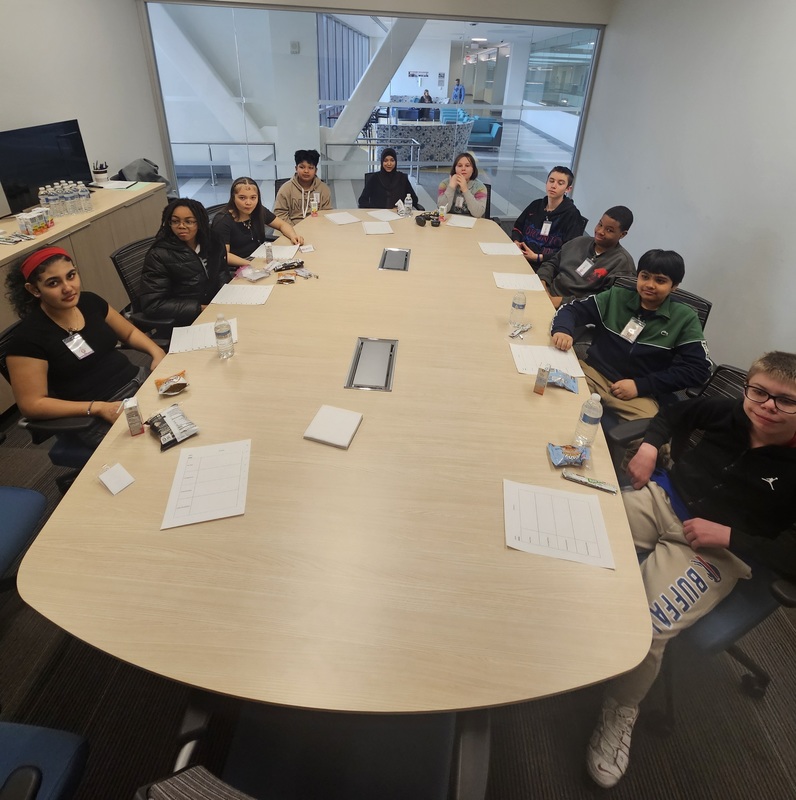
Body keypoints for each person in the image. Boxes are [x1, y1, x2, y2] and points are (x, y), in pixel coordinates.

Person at [586, 351, 796, 789]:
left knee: (646, 626)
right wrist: (648, 445)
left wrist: (733, 539)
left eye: (786, 400)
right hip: (663, 501)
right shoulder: (729, 412)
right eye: (758, 392)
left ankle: (620, 710)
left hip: (717, 552)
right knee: (577, 531)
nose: (767, 406)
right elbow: (676, 413)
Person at [5, 246, 165, 448]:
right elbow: (32, 405)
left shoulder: (89, 302)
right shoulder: (28, 339)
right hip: (97, 413)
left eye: (71, 276)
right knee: (157, 448)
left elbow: (129, 333)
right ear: (34, 290)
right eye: (54, 283)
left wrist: (157, 352)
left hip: (137, 381)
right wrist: (97, 408)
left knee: (195, 411)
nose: (68, 288)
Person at [551, 249, 711, 421]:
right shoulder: (616, 296)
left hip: (639, 393)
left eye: (660, 280)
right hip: (594, 374)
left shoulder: (685, 317)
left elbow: (700, 368)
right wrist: (563, 330)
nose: (650, 284)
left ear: (674, 286)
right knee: (554, 404)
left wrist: (641, 385)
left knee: (648, 441)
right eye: (645, 276)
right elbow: (572, 309)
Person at [141, 198, 230, 327]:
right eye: (175, 221)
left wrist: (228, 295)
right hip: (186, 320)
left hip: (215, 311)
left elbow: (221, 272)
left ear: (199, 223)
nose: (181, 226)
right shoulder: (159, 254)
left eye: (188, 221)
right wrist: (200, 308)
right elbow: (153, 304)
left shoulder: (212, 241)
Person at [537, 206, 635, 303]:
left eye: (609, 230)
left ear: (622, 234)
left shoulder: (623, 264)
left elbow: (604, 301)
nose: (600, 231)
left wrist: (561, 301)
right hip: (547, 293)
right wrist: (543, 282)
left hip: (575, 310)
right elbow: (552, 264)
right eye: (600, 225)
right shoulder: (579, 242)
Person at [213, 177, 303, 269]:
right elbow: (224, 255)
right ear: (233, 197)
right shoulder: (223, 221)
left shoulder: (258, 211)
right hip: (236, 267)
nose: (248, 202)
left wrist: (293, 235)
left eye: (253, 197)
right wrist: (251, 264)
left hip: (257, 258)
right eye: (242, 198)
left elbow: (281, 224)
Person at [511, 167, 587, 268]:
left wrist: (538, 257)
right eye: (551, 181)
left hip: (545, 265)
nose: (553, 186)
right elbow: (518, 227)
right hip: (520, 255)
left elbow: (570, 251)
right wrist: (516, 242)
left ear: (568, 189)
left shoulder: (572, 215)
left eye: (560, 183)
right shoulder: (536, 205)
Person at [273, 150, 332, 225]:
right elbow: (280, 214)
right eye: (302, 167)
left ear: (316, 170)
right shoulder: (286, 189)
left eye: (310, 168)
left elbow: (327, 213)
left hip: (316, 228)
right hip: (290, 230)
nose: (306, 171)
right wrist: (292, 230)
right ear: (296, 168)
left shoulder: (324, 189)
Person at [437, 153, 488, 219]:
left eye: (467, 166)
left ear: (473, 169)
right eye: (460, 165)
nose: (463, 169)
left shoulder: (480, 187)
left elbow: (478, 213)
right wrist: (451, 187)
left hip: (472, 224)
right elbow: (442, 209)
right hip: (448, 222)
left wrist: (465, 189)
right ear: (455, 168)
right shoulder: (444, 184)